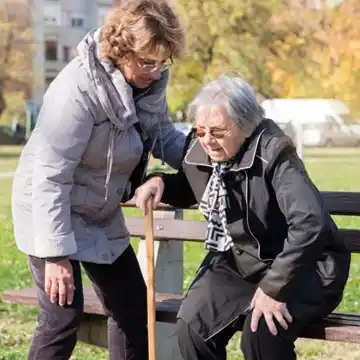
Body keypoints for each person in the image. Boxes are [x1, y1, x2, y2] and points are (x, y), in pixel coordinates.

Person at [11, 0, 186, 359]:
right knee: (62, 316)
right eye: (146, 62)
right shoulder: (77, 89)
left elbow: (162, 136)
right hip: (49, 209)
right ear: (121, 49)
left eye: (161, 62)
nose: (154, 72)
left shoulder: (149, 85)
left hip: (98, 212)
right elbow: (50, 174)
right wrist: (56, 254)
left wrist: (211, 153)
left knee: (133, 310)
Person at [135, 75, 351, 360]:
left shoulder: (275, 153)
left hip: (304, 266)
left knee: (263, 333)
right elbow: (196, 183)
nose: (207, 141)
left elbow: (310, 223)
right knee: (192, 327)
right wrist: (162, 182)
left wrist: (275, 288)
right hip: (241, 261)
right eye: (200, 130)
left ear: (245, 126)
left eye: (217, 131)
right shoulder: (201, 146)